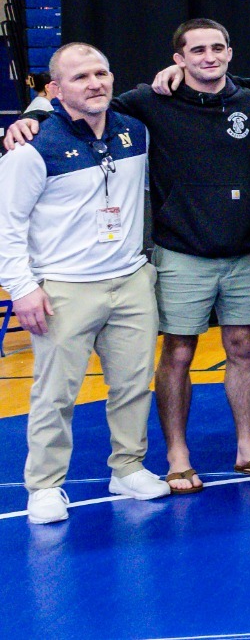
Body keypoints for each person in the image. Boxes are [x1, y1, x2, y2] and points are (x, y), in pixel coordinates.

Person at [5, 19, 250, 495]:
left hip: (213, 256)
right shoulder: (146, 105)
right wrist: (35, 114)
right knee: (153, 360)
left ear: (231, 52)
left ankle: (229, 450)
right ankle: (153, 461)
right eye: (196, 50)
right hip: (158, 257)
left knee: (221, 355)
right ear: (178, 59)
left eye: (218, 47)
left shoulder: (240, 104)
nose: (208, 57)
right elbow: (70, 109)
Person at [0, 43, 168, 525]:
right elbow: (7, 224)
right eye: (80, 78)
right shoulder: (32, 147)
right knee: (55, 394)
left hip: (130, 279)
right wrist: (22, 287)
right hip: (63, 289)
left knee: (133, 385)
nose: (95, 83)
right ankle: (45, 486)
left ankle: (128, 467)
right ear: (55, 90)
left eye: (102, 72)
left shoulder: (134, 131)